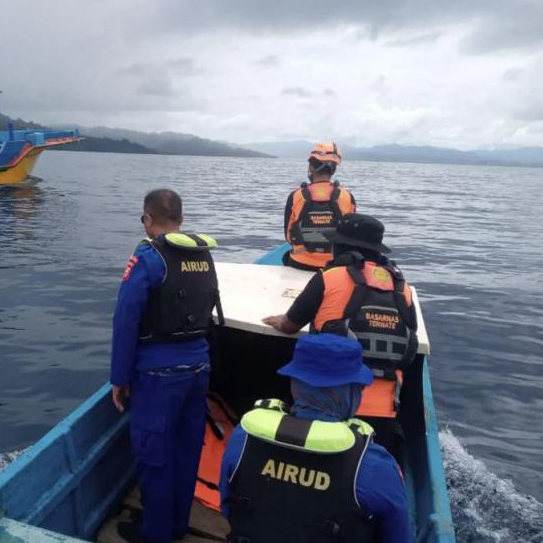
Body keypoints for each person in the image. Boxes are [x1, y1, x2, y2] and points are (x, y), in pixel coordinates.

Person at [219, 333, 412, 543]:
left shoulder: (242, 439)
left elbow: (229, 507)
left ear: (294, 383)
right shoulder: (375, 466)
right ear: (351, 391)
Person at [110, 188, 223, 543]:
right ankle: (176, 526)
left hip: (158, 374)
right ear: (181, 220)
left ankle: (155, 535)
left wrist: (119, 378)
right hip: (198, 367)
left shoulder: (148, 256)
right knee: (187, 450)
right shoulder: (202, 254)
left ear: (147, 219)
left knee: (154, 456)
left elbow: (126, 319)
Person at [263, 213, 418, 466]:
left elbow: (290, 325)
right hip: (386, 413)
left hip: (329, 410)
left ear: (342, 247)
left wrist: (278, 320)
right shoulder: (403, 288)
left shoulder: (329, 278)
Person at [284, 142, 356, 271]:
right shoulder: (347, 196)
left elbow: (289, 237)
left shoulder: (296, 195)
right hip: (334, 264)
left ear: (311, 167)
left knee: (285, 257)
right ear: (333, 169)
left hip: (301, 262)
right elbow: (351, 234)